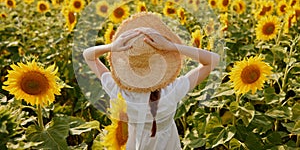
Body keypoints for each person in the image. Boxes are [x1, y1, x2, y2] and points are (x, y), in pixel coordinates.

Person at [83, 12, 220, 150]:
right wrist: (171, 46)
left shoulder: (119, 92)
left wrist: (111, 47)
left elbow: (88, 56)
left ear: (127, 63)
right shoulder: (171, 92)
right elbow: (213, 60)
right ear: (160, 62)